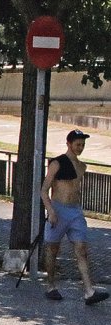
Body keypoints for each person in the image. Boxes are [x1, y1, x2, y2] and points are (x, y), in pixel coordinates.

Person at [42, 130, 109, 305]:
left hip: (75, 211)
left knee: (82, 249)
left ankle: (89, 291)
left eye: (83, 145)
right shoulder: (57, 163)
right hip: (58, 209)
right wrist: (51, 211)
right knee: (52, 249)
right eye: (78, 144)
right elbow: (43, 190)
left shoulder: (82, 166)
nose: (80, 148)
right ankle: (51, 286)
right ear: (69, 144)